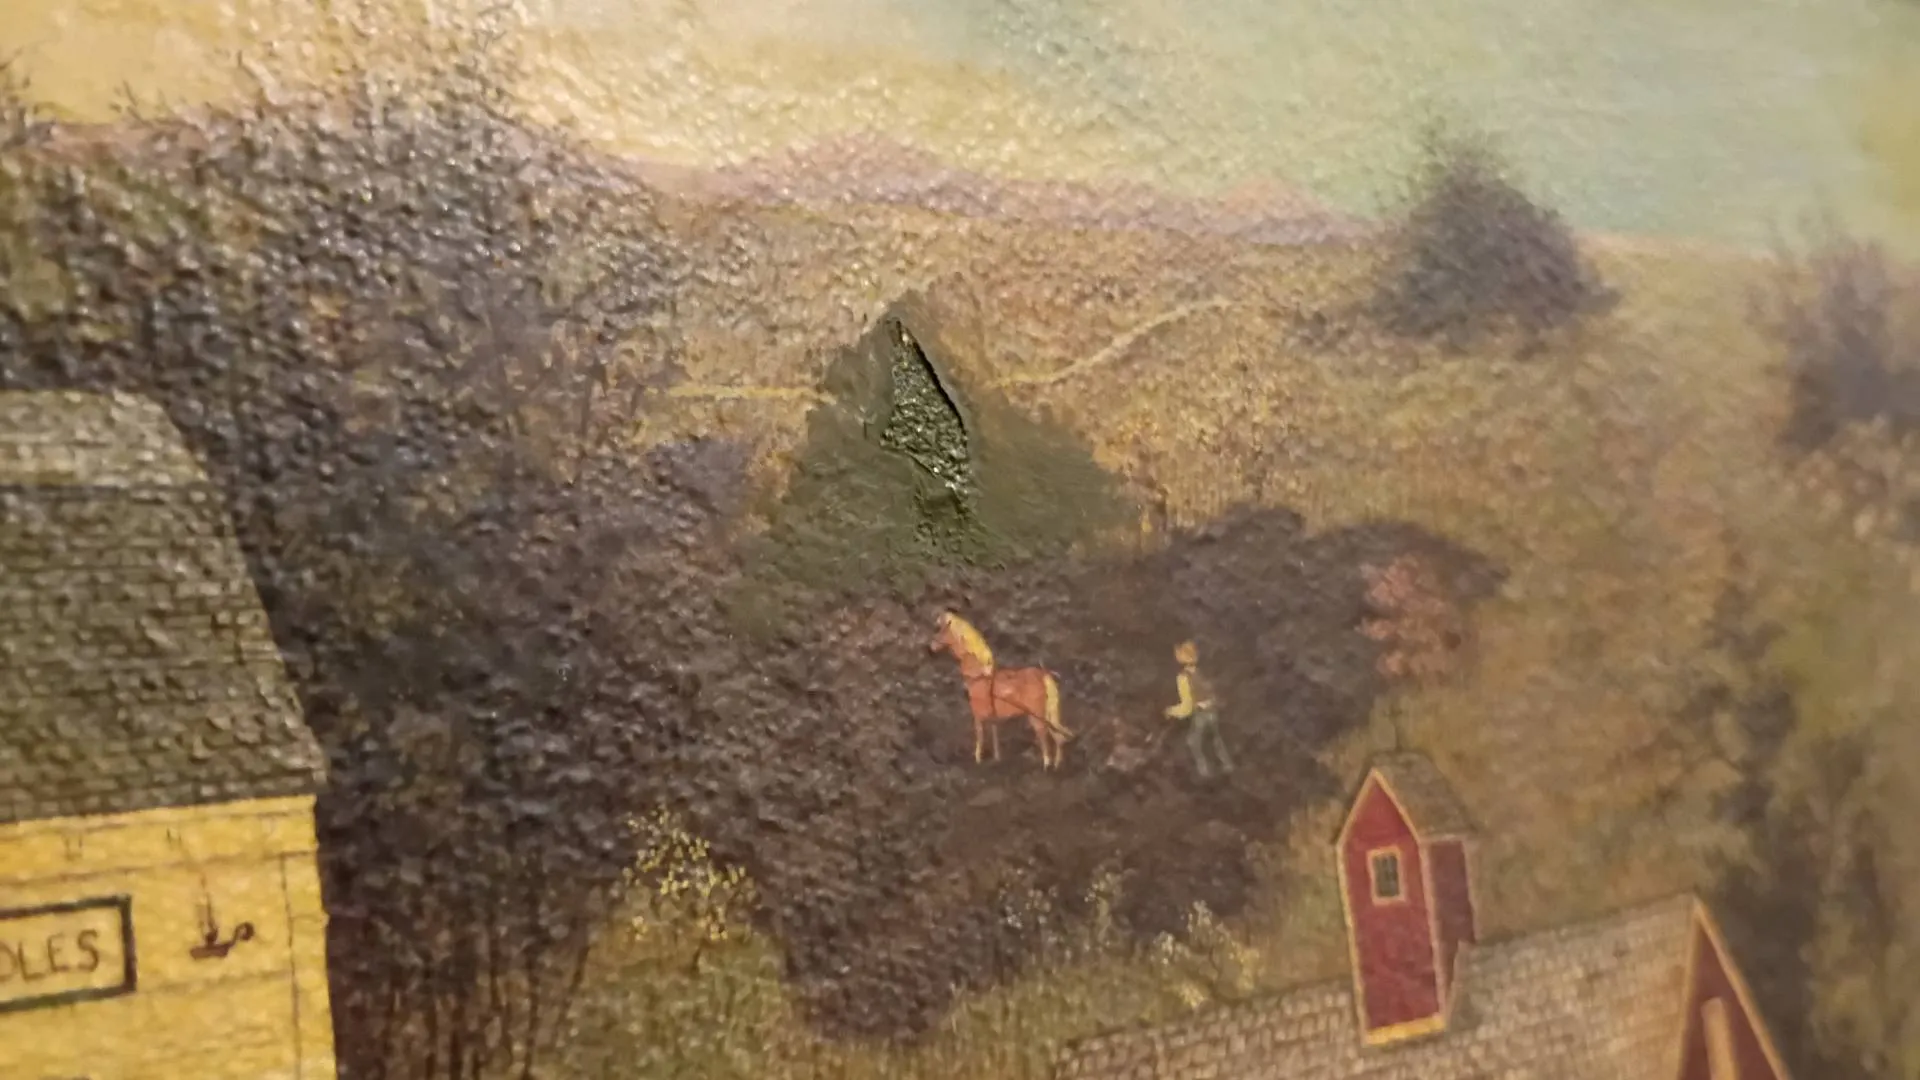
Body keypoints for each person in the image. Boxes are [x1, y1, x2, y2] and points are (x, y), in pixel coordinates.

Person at [1164, 640, 1232, 779]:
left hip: (1201, 713)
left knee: (1193, 741)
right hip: (1212, 710)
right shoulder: (1200, 672)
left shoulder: (1183, 677)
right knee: (1215, 737)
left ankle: (1204, 772)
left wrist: (1170, 711)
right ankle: (1227, 765)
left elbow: (1187, 707)